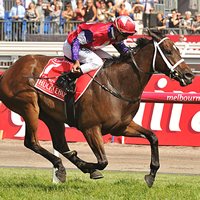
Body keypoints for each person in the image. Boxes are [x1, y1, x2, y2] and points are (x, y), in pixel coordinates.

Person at [59, 15, 137, 92]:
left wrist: (131, 55)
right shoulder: (96, 33)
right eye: (125, 35)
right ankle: (66, 78)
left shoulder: (115, 33)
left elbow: (121, 48)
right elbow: (76, 43)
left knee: (111, 60)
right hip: (71, 46)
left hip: (88, 46)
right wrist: (77, 61)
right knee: (97, 62)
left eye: (129, 35)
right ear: (117, 31)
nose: (126, 37)